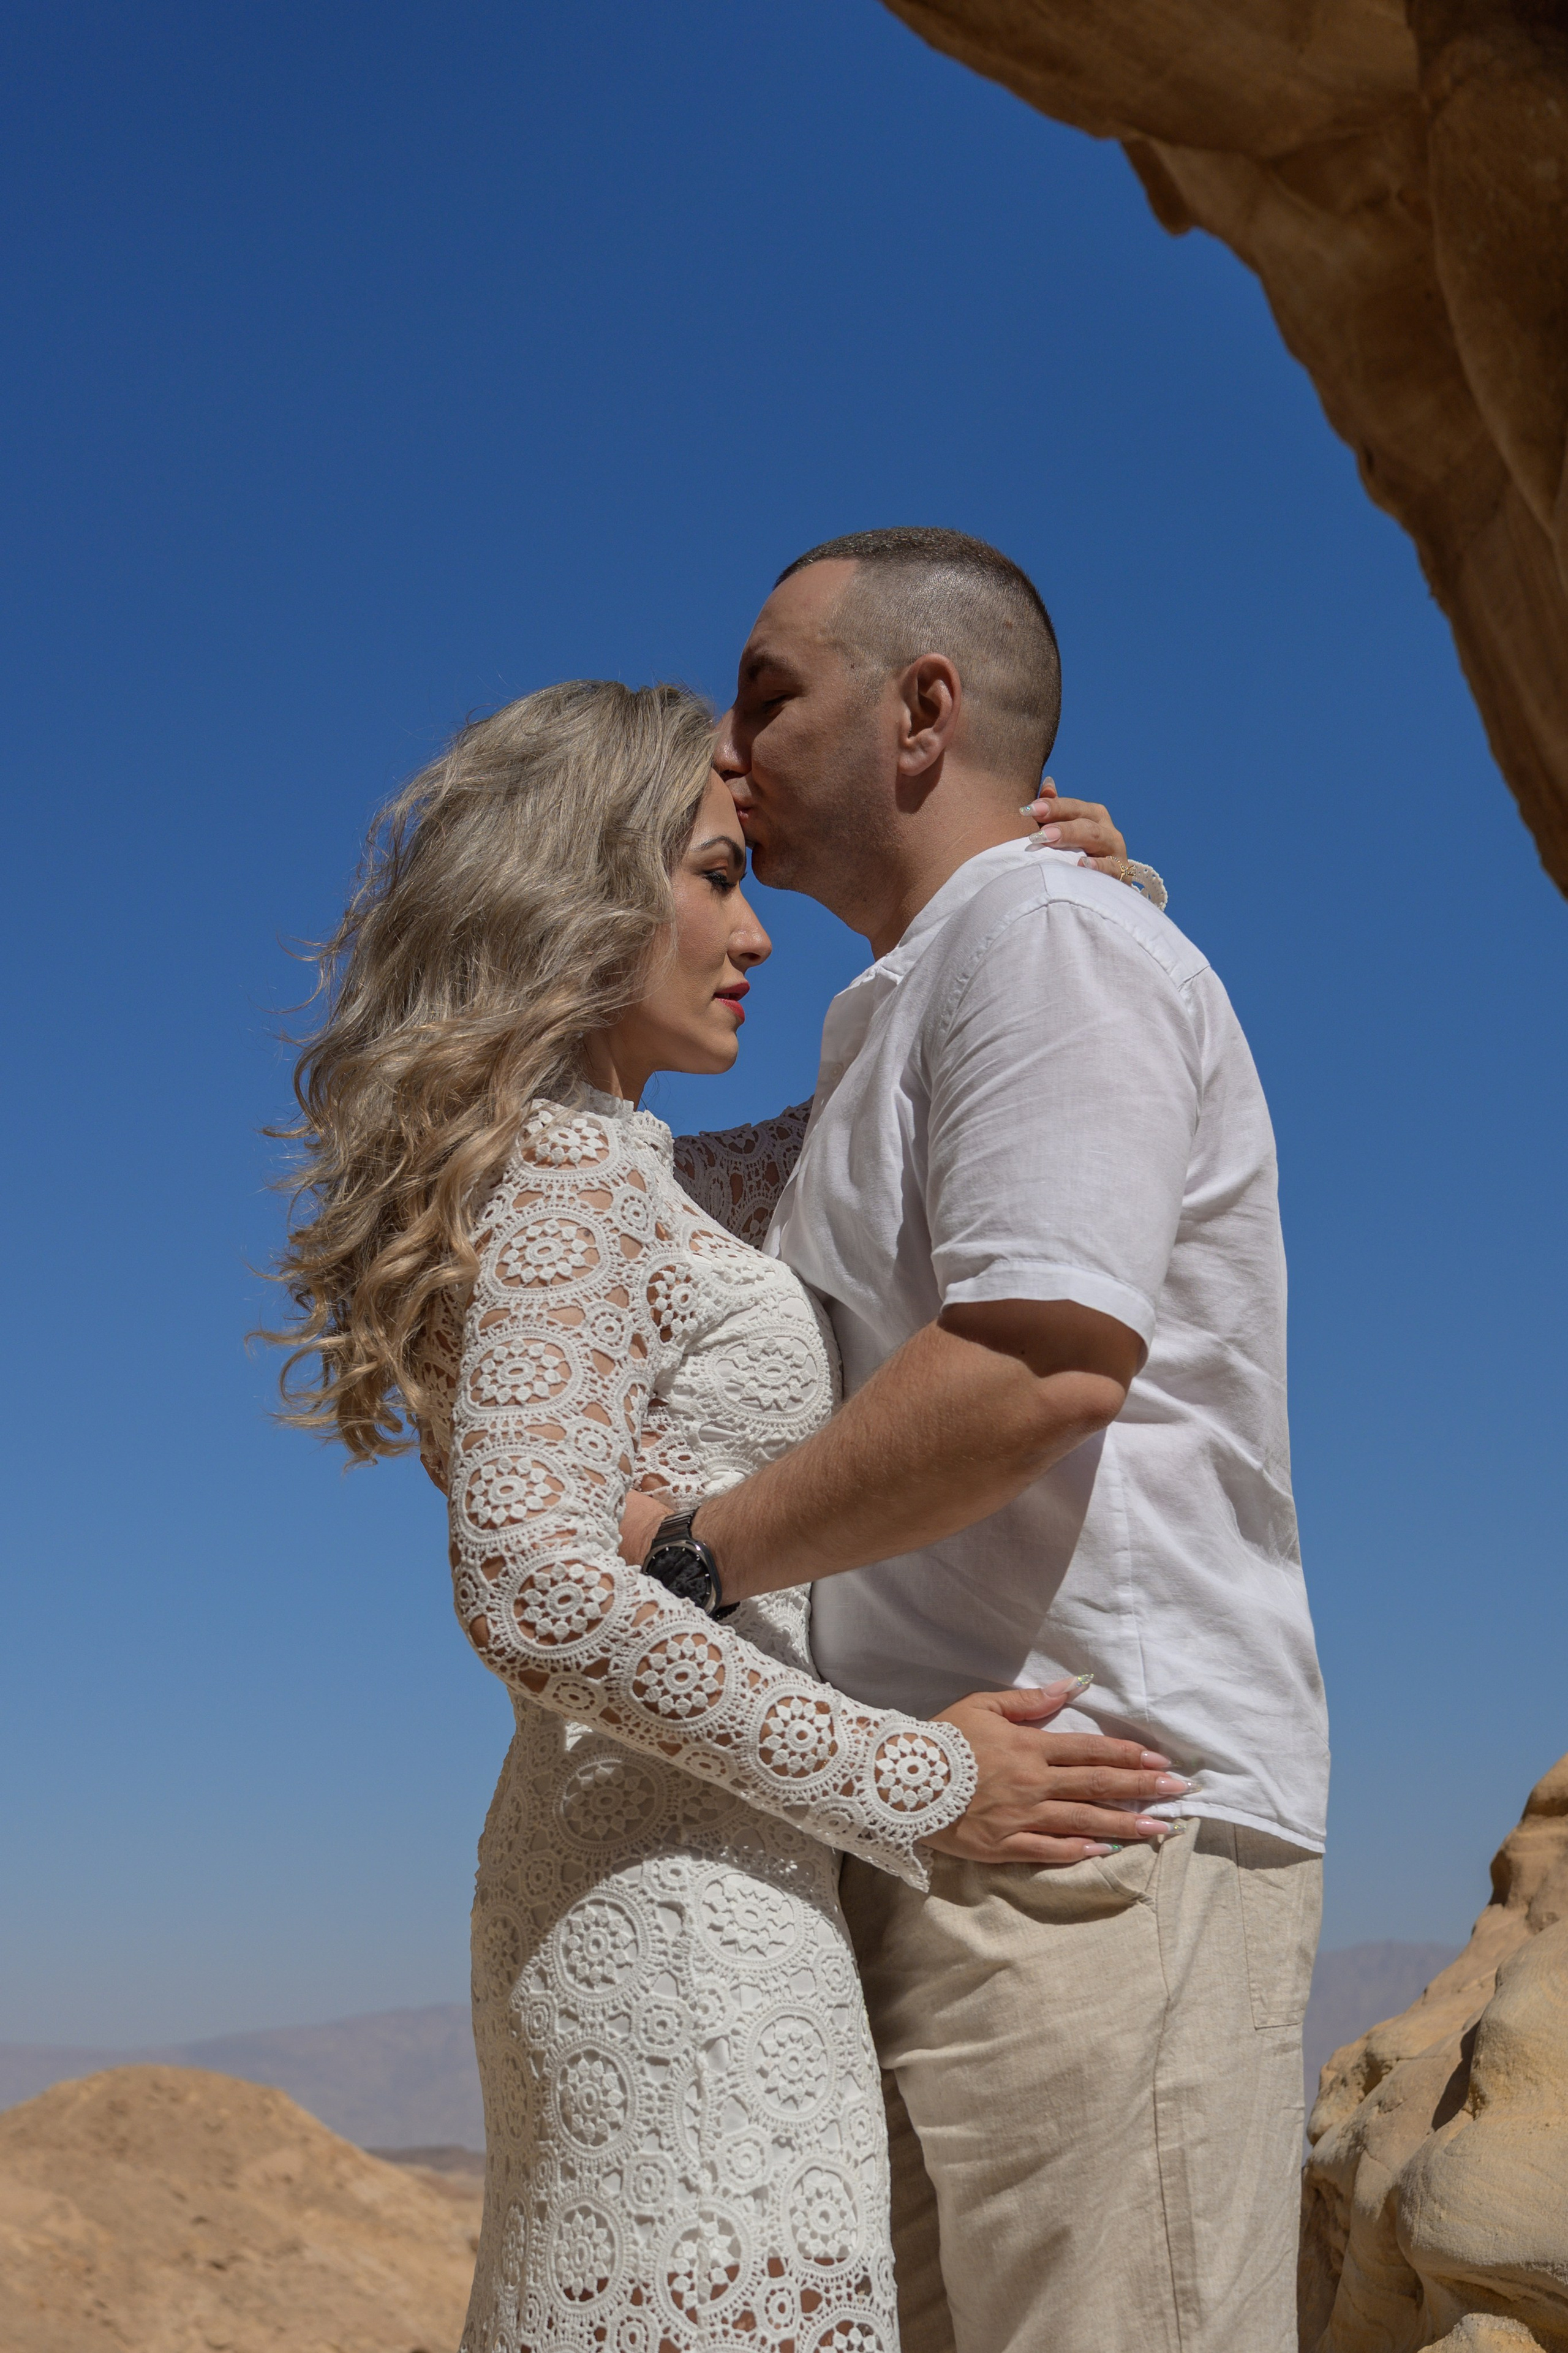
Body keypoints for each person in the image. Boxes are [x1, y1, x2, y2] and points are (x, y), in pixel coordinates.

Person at [265, 678, 1183, 2353]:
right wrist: (928, 1777)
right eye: (712, 876)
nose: (754, 931)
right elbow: (535, 1590)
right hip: (682, 1927)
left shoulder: (617, 1163)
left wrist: (1048, 926)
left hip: (689, 1881)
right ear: (582, 890)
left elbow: (860, 1130)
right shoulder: (574, 1171)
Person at [662, 528, 1330, 2353]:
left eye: (770, 692)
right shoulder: (930, 988)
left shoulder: (1042, 940)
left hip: (1100, 1816)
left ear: (922, 711)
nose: (734, 749)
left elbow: (1039, 1363)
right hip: (969, 1814)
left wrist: (689, 1555)